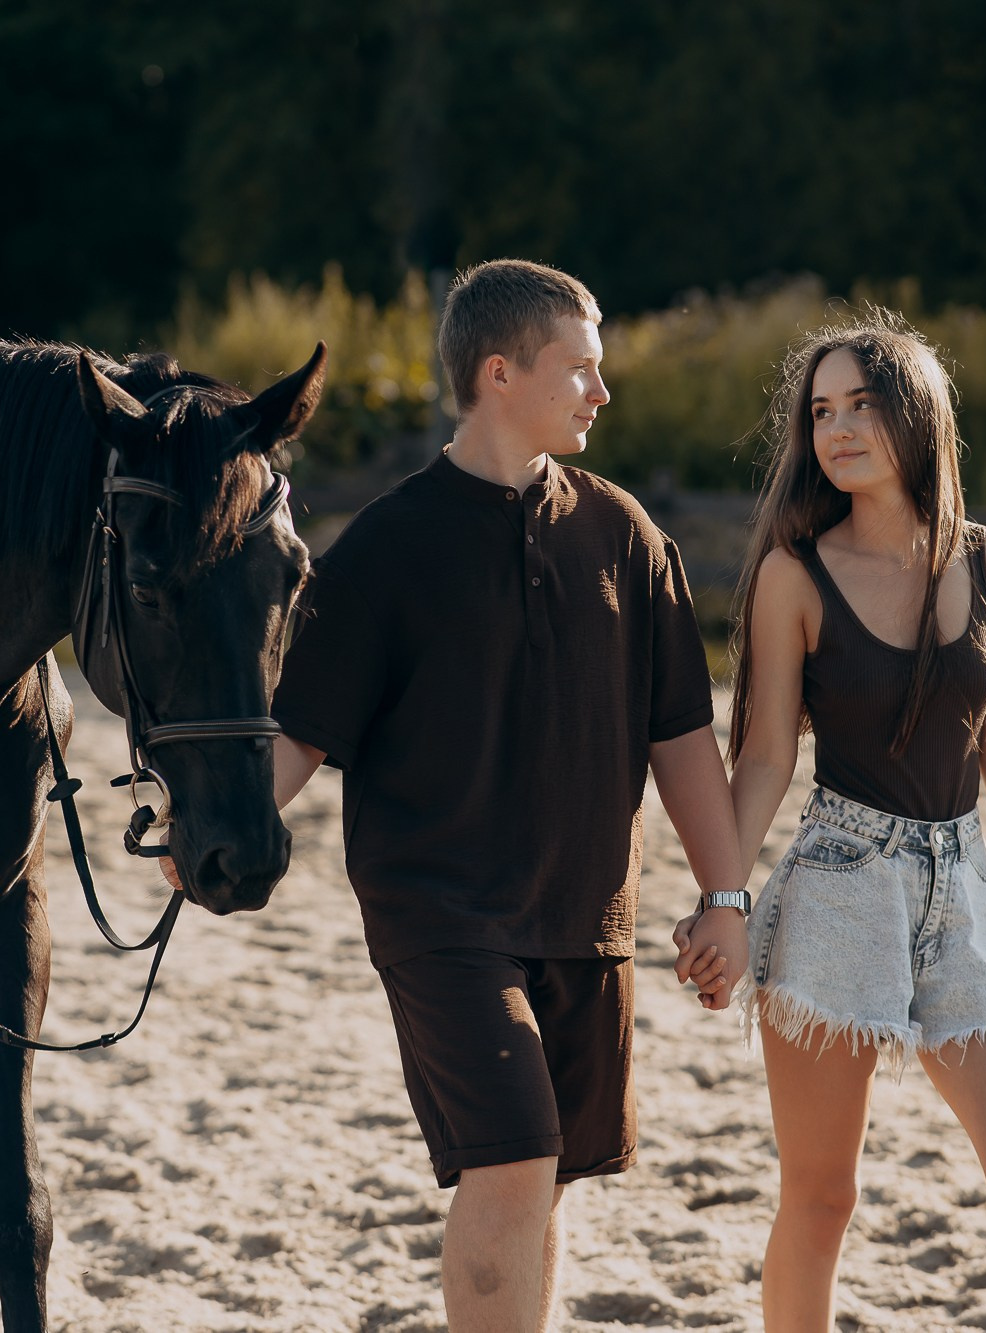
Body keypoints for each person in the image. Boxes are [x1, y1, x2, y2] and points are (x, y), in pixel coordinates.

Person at [264, 259, 749, 1332]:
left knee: (549, 1173)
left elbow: (679, 736)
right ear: (497, 371)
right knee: (515, 1153)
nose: (600, 391)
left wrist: (726, 896)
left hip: (586, 916)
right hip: (437, 913)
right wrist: (211, 834)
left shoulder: (627, 536)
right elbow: (300, 731)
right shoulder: (384, 549)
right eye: (578, 367)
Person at [673, 311, 986, 1332]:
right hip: (840, 885)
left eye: (861, 404)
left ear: (915, 414)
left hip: (966, 890)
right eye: (820, 412)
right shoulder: (790, 576)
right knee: (821, 1196)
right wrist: (722, 900)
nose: (838, 429)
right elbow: (764, 753)